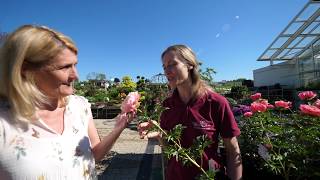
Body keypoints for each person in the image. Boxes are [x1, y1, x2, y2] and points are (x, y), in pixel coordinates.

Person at [0, 25, 134, 180]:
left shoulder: (79, 106)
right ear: (26, 69)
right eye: (65, 67)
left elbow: (93, 156)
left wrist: (119, 127)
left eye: (75, 65)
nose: (76, 76)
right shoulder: (5, 123)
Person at [139, 44, 242, 180]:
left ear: (189, 65)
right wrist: (160, 134)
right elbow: (169, 149)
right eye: (164, 67)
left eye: (172, 64)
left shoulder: (216, 103)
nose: (166, 71)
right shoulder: (167, 105)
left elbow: (233, 150)